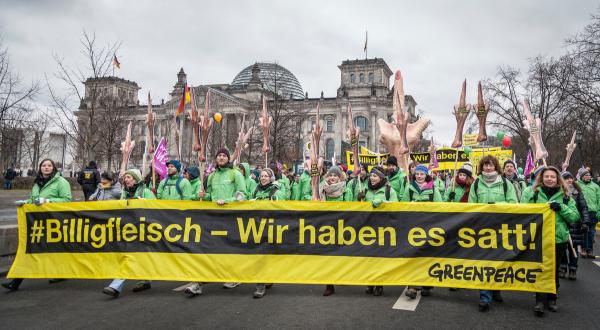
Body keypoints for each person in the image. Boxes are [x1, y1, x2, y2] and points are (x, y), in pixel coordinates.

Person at [2, 159, 72, 291]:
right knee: (29, 250)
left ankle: (61, 273)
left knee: (55, 250)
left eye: (49, 165)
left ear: (53, 168)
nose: (46, 168)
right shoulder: (37, 183)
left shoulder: (62, 182)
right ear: (40, 168)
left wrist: (48, 200)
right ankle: (16, 281)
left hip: (54, 223)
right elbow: (34, 200)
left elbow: (67, 200)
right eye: (43, 165)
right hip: (37, 223)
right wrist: (25, 202)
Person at [185, 148, 247, 296]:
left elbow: (242, 195)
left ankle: (234, 276)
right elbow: (208, 196)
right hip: (213, 217)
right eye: (219, 155)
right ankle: (198, 283)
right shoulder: (211, 176)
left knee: (229, 249)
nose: (221, 157)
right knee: (207, 250)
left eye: (224, 155)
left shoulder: (235, 174)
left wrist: (226, 201)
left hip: (230, 218)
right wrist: (201, 195)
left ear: (228, 159)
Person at [521, 166, 579, 316]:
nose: (549, 179)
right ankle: (539, 300)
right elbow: (522, 212)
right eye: (546, 176)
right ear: (541, 178)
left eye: (552, 177)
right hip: (538, 238)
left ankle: (552, 298)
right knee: (540, 269)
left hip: (558, 239)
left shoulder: (566, 195)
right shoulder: (533, 194)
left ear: (557, 178)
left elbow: (574, 217)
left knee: (554, 269)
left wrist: (561, 208)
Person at [468, 155, 517, 312]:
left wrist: (495, 205)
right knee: (485, 263)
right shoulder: (476, 184)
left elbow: (513, 204)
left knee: (499, 261)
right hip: (482, 230)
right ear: (481, 168)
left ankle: (496, 289)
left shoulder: (505, 184)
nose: (488, 168)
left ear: (496, 167)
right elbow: (471, 206)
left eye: (491, 165)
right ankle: (484, 296)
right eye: (485, 166)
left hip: (501, 229)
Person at [102, 169, 156, 298]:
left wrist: (143, 202)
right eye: (125, 177)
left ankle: (116, 285)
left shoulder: (146, 192)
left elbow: (155, 209)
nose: (126, 179)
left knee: (132, 256)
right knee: (131, 256)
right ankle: (144, 280)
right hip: (129, 230)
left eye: (129, 177)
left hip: (144, 230)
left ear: (136, 179)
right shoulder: (124, 193)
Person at [401, 164, 441, 299]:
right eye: (417, 174)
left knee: (427, 257)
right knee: (413, 257)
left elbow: (440, 208)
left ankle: (427, 284)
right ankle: (412, 286)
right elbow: (402, 206)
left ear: (426, 175)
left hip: (429, 228)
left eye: (422, 174)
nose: (419, 176)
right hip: (413, 229)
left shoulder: (433, 189)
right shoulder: (409, 188)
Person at [357, 166, 398, 297]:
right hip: (368, 229)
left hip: (384, 229)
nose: (372, 178)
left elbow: (396, 207)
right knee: (369, 257)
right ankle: (370, 281)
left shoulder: (389, 190)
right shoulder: (364, 189)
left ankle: (379, 283)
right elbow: (356, 209)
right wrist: (358, 200)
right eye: (371, 176)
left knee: (380, 258)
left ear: (381, 178)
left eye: (375, 176)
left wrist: (383, 202)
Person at [250, 168, 284, 298]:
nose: (263, 178)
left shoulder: (277, 192)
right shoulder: (254, 191)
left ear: (271, 178)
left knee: (269, 257)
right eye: (262, 176)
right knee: (259, 256)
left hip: (271, 228)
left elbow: (281, 209)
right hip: (256, 227)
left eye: (266, 176)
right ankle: (260, 286)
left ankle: (268, 278)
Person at [320, 166, 354, 297]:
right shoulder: (322, 189)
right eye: (330, 175)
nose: (332, 177)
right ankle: (329, 285)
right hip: (326, 228)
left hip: (342, 226)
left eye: (335, 175)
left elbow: (350, 208)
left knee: (342, 255)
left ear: (340, 177)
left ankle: (342, 276)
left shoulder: (346, 190)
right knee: (328, 257)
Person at [559, 171, 591, 280]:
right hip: (563, 224)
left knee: (573, 249)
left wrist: (586, 222)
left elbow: (583, 208)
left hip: (576, 225)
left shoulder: (578, 192)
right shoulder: (558, 192)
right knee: (562, 248)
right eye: (566, 178)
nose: (569, 180)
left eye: (570, 178)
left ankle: (573, 269)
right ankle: (562, 268)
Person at [577, 167, 599, 257]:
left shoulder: (595, 186)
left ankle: (590, 250)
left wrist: (599, 211)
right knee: (583, 231)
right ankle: (583, 248)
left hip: (593, 212)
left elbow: (599, 200)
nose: (588, 176)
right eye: (586, 175)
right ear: (581, 177)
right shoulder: (577, 185)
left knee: (591, 232)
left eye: (589, 175)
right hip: (582, 212)